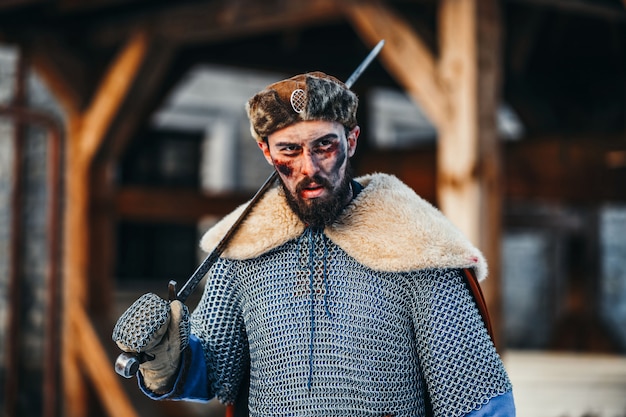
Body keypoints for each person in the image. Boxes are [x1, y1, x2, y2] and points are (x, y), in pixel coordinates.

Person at [113, 71, 516, 416]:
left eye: (325, 145)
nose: (310, 168)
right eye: (290, 149)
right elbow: (215, 372)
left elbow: (475, 398)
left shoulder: (417, 246)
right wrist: (169, 361)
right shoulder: (244, 250)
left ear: (352, 141)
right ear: (266, 153)